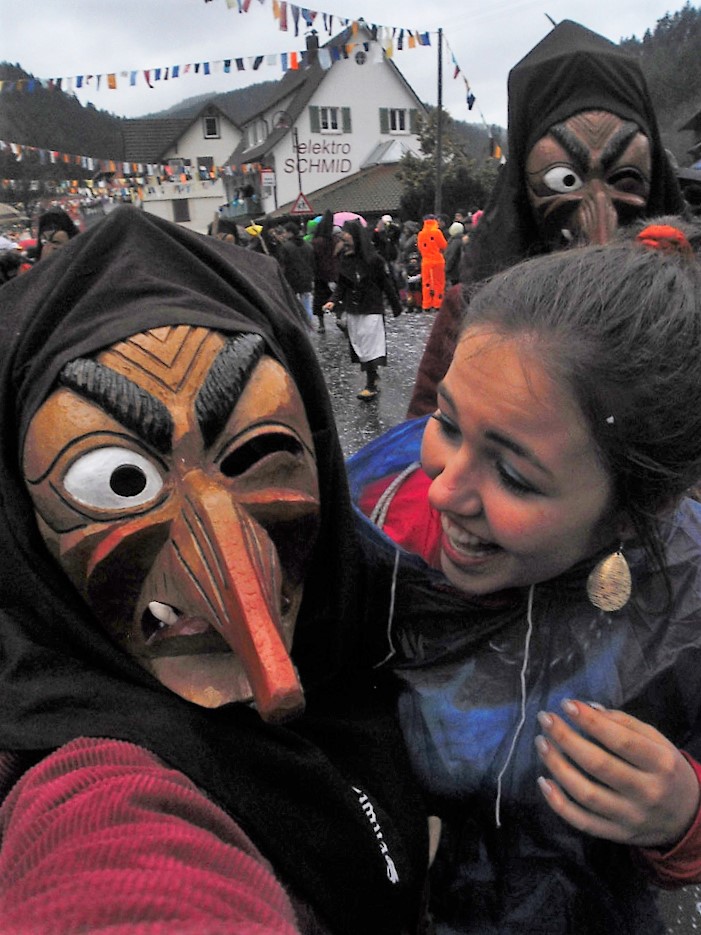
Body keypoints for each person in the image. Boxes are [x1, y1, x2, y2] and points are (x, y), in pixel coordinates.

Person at [0, 206, 429, 934]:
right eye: (120, 483)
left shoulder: (386, 633)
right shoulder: (88, 773)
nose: (220, 545)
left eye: (258, 452)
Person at [346, 224, 701, 933]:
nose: (443, 490)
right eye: (447, 423)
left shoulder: (685, 596)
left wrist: (681, 817)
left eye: (513, 474)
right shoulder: (377, 516)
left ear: (634, 511)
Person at [407, 19, 686, 418]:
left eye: (624, 178)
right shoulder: (471, 310)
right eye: (564, 180)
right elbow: (423, 434)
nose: (600, 228)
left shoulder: (687, 306)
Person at [323, 220, 402, 401]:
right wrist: (332, 301)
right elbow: (342, 285)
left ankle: (370, 383)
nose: (344, 237)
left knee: (370, 346)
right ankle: (373, 377)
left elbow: (386, 284)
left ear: (356, 236)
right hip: (353, 308)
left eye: (347, 233)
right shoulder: (345, 260)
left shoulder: (374, 260)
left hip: (371, 307)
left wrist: (395, 305)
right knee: (360, 345)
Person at [277, 221, 315, 322]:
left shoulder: (286, 247)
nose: (283, 234)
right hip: (306, 278)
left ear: (290, 233)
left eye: (285, 232)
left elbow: (282, 264)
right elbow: (312, 262)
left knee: (292, 304)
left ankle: (297, 323)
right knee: (306, 304)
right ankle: (309, 324)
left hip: (291, 278)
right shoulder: (308, 246)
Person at [311, 210, 339, 333]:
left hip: (320, 274)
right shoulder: (335, 241)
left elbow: (313, 258)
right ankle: (339, 318)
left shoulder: (316, 241)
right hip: (334, 273)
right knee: (336, 297)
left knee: (319, 300)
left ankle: (321, 325)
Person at [417, 216, 447, 311]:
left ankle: (427, 304)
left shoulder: (421, 234)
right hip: (437, 260)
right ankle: (438, 303)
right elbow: (444, 245)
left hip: (426, 261)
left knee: (426, 283)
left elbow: (420, 248)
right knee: (438, 283)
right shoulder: (437, 232)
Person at [444, 222, 465, 287]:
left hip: (454, 271)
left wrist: (446, 268)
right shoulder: (463, 239)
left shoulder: (455, 241)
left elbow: (451, 256)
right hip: (461, 270)